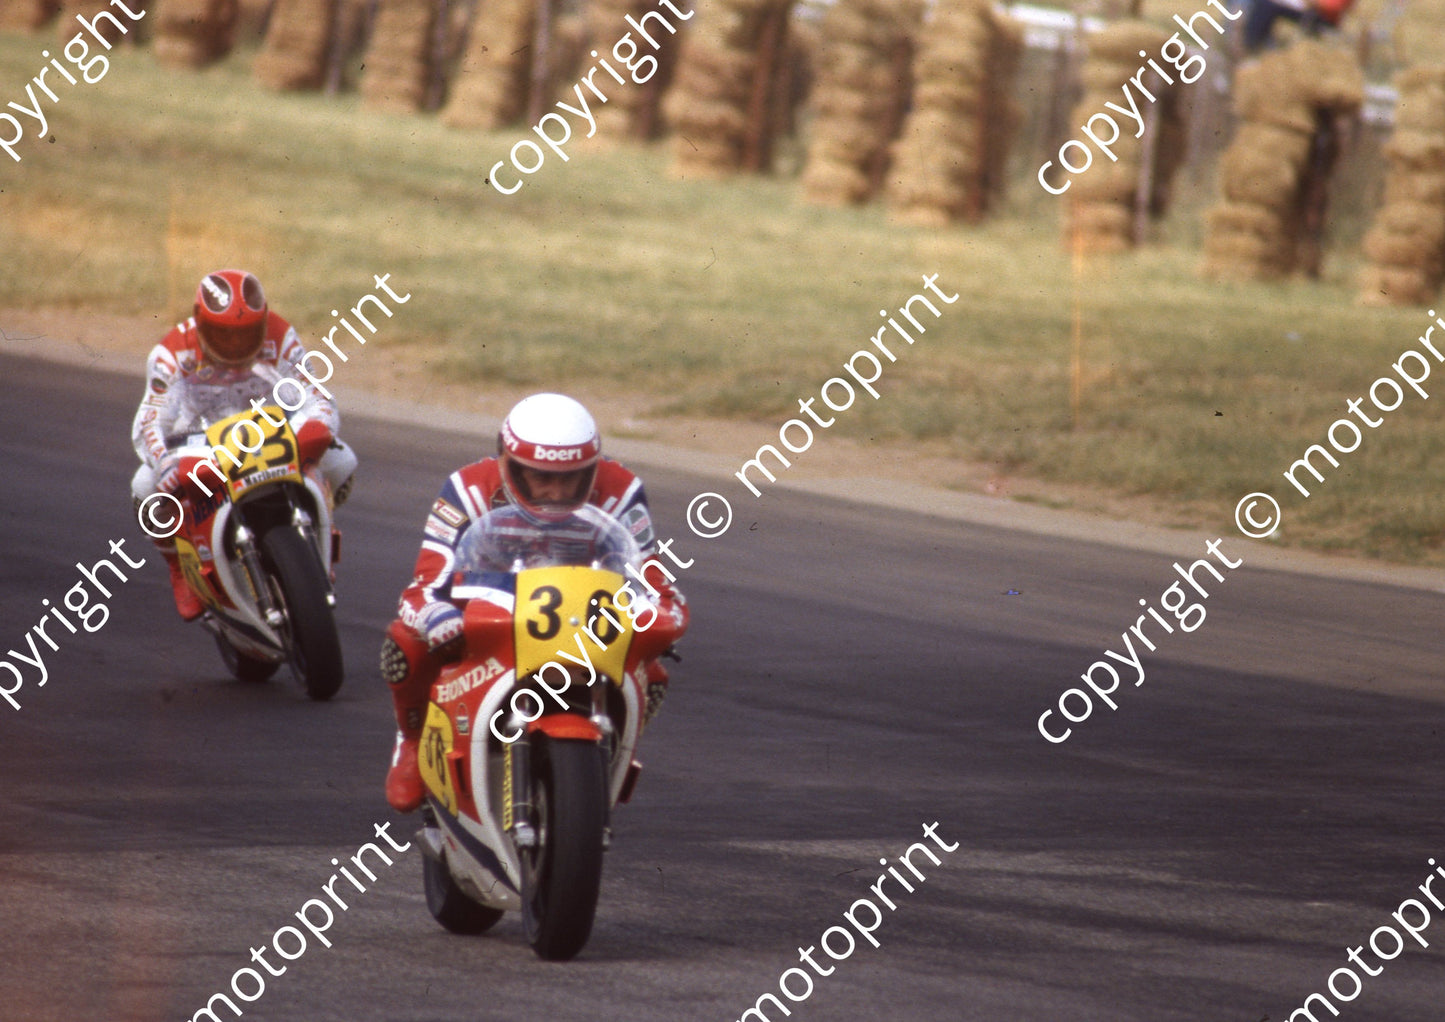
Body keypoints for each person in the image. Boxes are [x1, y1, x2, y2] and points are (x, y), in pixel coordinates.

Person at [379, 392, 688, 813]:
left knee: (653, 669)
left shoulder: (622, 490)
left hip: (585, 623)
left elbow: (652, 579)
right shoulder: (467, 488)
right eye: (539, 476)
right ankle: (413, 743)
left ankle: (610, 750)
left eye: (572, 477)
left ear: (592, 468)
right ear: (507, 462)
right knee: (405, 642)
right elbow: (424, 585)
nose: (555, 490)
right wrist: (437, 616)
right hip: (493, 615)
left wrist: (665, 613)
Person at [130, 269, 357, 620]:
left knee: (342, 462)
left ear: (263, 320)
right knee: (146, 489)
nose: (236, 344)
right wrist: (165, 464)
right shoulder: (172, 353)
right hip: (202, 442)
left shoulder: (281, 337)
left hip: (269, 430)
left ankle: (317, 547)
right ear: (200, 323)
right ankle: (178, 565)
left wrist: (315, 427)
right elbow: (150, 421)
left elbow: (317, 395)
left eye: (246, 333)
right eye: (224, 334)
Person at [1241, 0, 1355, 52]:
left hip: (1320, 16)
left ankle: (1252, 48)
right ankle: (1258, 47)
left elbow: (1332, 7)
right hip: (1306, 8)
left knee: (1267, 5)